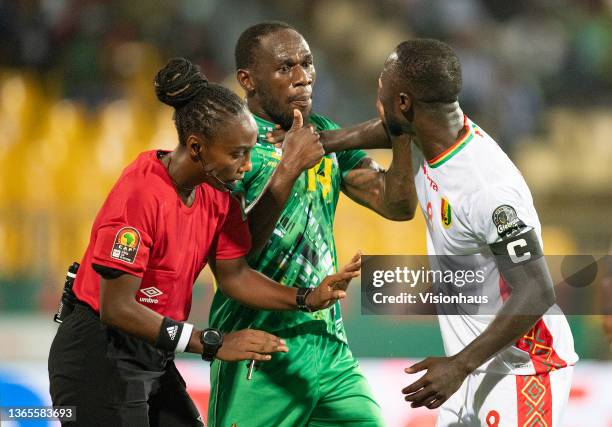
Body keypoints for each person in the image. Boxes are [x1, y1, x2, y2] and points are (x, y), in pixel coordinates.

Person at [47, 57, 361, 427]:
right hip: (98, 356)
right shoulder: (140, 194)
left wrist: (306, 297)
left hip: (153, 354)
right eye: (237, 154)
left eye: (249, 151)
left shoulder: (217, 195)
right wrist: (211, 342)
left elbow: (235, 275)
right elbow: (117, 307)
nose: (246, 166)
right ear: (197, 148)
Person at [330, 39, 579, 426]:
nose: (376, 98)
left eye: (383, 91)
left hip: (524, 372)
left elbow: (537, 289)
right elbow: (389, 131)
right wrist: (324, 142)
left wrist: (459, 365)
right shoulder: (439, 134)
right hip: (470, 369)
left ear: (404, 104)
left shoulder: (488, 189)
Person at [207, 21, 416, 427]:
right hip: (260, 344)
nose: (303, 78)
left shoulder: (321, 133)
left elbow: (396, 206)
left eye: (307, 63)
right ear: (247, 80)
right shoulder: (230, 144)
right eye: (286, 68)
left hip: (328, 346)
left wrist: (402, 135)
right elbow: (234, 259)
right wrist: (288, 168)